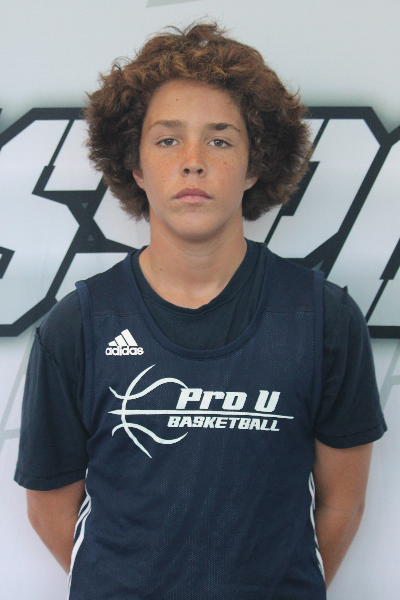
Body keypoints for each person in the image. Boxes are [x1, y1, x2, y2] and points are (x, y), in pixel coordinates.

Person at [15, 22, 386, 599]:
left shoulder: (325, 321)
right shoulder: (78, 326)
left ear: (255, 164)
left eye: (220, 140)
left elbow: (343, 505)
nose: (193, 161)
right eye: (168, 140)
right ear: (136, 165)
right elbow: (48, 509)